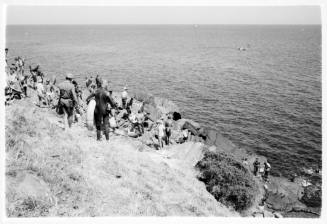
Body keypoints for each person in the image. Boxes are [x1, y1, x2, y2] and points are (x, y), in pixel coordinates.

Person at [86, 77, 116, 141]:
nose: (107, 85)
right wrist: (112, 107)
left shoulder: (95, 91)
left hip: (97, 110)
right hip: (105, 110)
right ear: (103, 84)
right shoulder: (107, 93)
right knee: (106, 125)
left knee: (98, 125)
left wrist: (91, 102)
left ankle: (98, 139)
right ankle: (107, 139)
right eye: (106, 84)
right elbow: (113, 103)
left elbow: (87, 98)